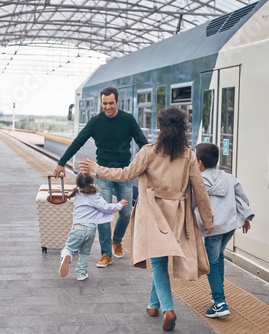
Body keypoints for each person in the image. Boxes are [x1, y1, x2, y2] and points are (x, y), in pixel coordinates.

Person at [80, 107, 214, 332]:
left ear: (161, 128)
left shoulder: (149, 152)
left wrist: (95, 169)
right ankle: (153, 305)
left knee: (158, 261)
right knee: (160, 260)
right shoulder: (189, 155)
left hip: (154, 214)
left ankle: (168, 309)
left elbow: (124, 174)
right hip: (179, 215)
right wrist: (208, 221)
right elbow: (200, 189)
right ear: (182, 130)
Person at [54, 87, 148, 268]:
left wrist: (154, 161)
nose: (107, 107)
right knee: (103, 213)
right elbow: (78, 141)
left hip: (124, 173)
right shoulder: (96, 122)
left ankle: (117, 240)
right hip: (101, 172)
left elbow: (143, 143)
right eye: (104, 104)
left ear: (117, 102)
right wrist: (61, 162)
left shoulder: (127, 120)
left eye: (111, 103)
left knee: (126, 212)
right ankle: (106, 254)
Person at [193, 143, 254, 318]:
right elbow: (242, 198)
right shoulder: (229, 177)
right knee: (218, 257)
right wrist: (245, 218)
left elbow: (192, 204)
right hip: (229, 226)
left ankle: (220, 303)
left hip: (213, 228)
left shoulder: (200, 180)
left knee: (211, 263)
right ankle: (218, 296)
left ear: (199, 163)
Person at [59, 173, 127, 281]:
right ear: (92, 182)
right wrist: (119, 205)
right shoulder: (95, 195)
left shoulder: (76, 193)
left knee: (69, 248)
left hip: (78, 228)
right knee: (84, 253)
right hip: (90, 230)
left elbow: (69, 194)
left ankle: (67, 257)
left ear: (77, 183)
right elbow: (107, 207)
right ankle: (81, 274)